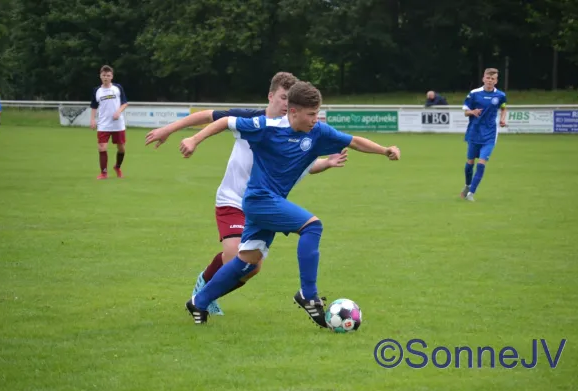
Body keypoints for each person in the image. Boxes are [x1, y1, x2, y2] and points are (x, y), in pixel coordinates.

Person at [178, 81, 400, 327]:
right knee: (312, 226)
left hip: (269, 202)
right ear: (293, 112)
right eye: (311, 114)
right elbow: (225, 121)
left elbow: (353, 141)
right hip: (258, 199)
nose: (316, 119)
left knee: (248, 260)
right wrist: (195, 139)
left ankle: (199, 301)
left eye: (318, 113)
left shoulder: (318, 132)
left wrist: (384, 150)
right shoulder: (267, 127)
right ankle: (308, 294)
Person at [145, 72, 348, 315]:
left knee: (253, 267)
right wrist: (171, 129)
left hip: (261, 202)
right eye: (283, 98)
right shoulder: (251, 119)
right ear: (271, 96)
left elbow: (299, 166)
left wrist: (325, 163)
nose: (286, 104)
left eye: (289, 99)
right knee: (233, 255)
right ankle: (204, 287)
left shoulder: (294, 131)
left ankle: (205, 295)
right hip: (232, 199)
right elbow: (207, 116)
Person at [460, 68, 507, 201]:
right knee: (470, 163)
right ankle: (467, 185)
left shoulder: (500, 95)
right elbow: (465, 111)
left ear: (496, 81)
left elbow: (503, 107)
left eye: (493, 79)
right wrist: (472, 112)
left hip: (490, 135)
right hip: (474, 132)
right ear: (483, 79)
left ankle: (471, 194)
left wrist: (503, 119)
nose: (490, 81)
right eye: (488, 78)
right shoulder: (474, 94)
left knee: (481, 164)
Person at [90, 65, 129, 180]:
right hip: (103, 124)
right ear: (100, 76)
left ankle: (117, 167)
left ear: (112, 76)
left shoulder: (117, 88)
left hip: (118, 124)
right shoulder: (97, 90)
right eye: (104, 75)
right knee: (102, 148)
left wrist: (118, 112)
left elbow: (125, 103)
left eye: (108, 75)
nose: (106, 77)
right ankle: (104, 173)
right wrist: (92, 119)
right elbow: (93, 106)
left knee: (121, 148)